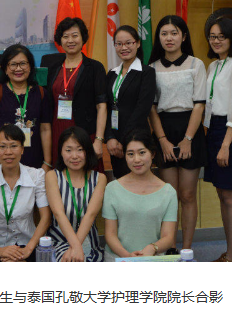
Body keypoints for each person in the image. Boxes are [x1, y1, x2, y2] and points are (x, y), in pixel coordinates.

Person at [147, 15, 207, 250]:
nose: (169, 38)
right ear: (159, 38)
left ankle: (187, 249)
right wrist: (161, 140)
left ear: (183, 36)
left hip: (190, 128)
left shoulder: (196, 64)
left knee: (188, 194)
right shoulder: (152, 68)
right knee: (170, 196)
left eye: (174, 33)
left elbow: (199, 105)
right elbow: (152, 108)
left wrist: (188, 139)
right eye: (164, 34)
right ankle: (170, 247)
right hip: (163, 128)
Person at [204, 17, 232, 262]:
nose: (216, 41)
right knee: (221, 194)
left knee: (231, 195)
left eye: (222, 36)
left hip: (230, 132)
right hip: (214, 130)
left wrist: (225, 145)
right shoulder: (213, 66)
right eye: (213, 36)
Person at [0, 124, 51, 261]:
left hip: (29, 246)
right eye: (2, 146)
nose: (8, 152)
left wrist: (28, 249)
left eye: (14, 146)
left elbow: (46, 217)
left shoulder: (36, 176)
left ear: (22, 149)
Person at [102, 129, 178, 261]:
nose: (136, 159)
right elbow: (110, 234)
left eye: (142, 153)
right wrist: (128, 257)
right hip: (118, 258)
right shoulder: (112, 189)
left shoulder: (168, 192)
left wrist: (153, 248)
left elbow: (168, 237)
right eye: (130, 154)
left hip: (153, 258)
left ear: (152, 154)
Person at [46, 17, 107, 169]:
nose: (70, 40)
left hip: (85, 132)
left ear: (83, 38)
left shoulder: (95, 68)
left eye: (75, 35)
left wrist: (98, 140)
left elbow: (102, 106)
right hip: (58, 130)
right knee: (61, 175)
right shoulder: (53, 68)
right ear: (60, 40)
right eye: (65, 36)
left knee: (87, 174)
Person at [0, 44, 53, 171]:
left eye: (23, 63)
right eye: (13, 64)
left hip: (35, 160)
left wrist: (47, 162)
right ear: (5, 68)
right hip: (4, 160)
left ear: (30, 66)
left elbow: (45, 129)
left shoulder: (41, 93)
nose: (18, 68)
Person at [46, 127, 106, 262]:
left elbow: (90, 214)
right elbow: (58, 213)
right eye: (68, 150)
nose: (74, 156)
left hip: (90, 242)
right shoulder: (53, 176)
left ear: (88, 151)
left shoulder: (99, 178)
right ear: (61, 152)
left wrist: (76, 247)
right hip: (59, 242)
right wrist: (76, 247)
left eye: (80, 150)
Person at [105, 25, 156, 179]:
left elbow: (142, 110)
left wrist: (123, 141)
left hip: (137, 139)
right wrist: (110, 138)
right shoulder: (112, 74)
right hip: (114, 144)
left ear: (138, 43)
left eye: (128, 43)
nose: (124, 48)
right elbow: (106, 108)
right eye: (119, 44)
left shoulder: (147, 73)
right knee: (121, 182)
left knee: (139, 183)